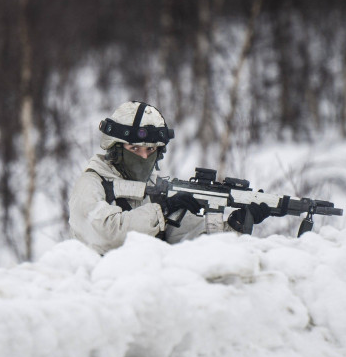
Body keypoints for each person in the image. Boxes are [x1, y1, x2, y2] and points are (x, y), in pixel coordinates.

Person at [68, 101, 270, 255]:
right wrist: (162, 211)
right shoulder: (92, 183)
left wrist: (235, 226)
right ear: (116, 147)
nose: (144, 156)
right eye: (134, 149)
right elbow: (104, 234)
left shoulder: (156, 189)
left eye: (151, 150)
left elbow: (196, 243)